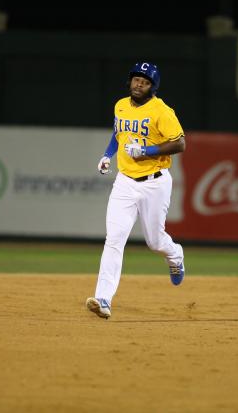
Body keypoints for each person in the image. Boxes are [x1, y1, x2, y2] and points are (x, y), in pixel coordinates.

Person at [85, 62, 186, 319]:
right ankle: (103, 298)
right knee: (114, 239)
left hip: (155, 182)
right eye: (136, 79)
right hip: (125, 181)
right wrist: (108, 155)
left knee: (154, 242)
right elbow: (119, 133)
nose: (139, 84)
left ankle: (175, 255)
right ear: (130, 82)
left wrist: (148, 151)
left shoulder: (161, 111)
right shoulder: (120, 105)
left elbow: (180, 143)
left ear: (153, 87)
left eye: (145, 81)